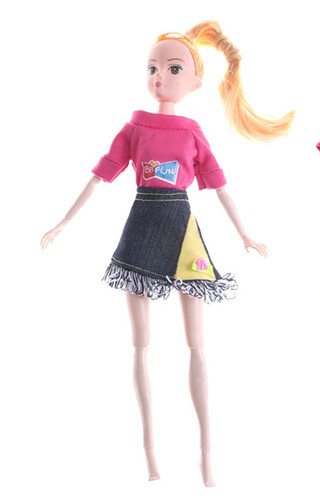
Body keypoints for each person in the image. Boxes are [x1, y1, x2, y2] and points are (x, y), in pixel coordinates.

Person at [41, 20, 294, 486]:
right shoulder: (134, 127)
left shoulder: (193, 133)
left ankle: (206, 456)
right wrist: (64, 222)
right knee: (141, 345)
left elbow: (220, 189)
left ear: (196, 82)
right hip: (140, 229)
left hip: (183, 231)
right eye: (152, 67)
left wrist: (245, 234)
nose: (160, 76)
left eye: (174, 68)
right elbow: (99, 177)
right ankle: (150, 455)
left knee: (197, 345)